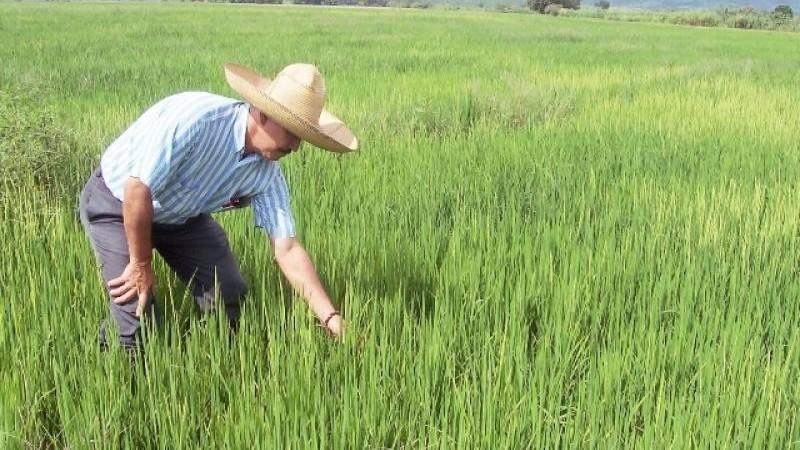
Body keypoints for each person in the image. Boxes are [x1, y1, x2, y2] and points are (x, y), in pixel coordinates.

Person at [78, 62, 358, 352]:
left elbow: (287, 248)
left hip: (181, 216)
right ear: (263, 114)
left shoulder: (266, 174)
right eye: (292, 133)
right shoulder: (197, 122)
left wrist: (332, 319)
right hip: (118, 203)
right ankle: (116, 374)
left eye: (302, 138)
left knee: (227, 294)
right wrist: (141, 264)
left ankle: (214, 364)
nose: (295, 147)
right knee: (136, 310)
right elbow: (137, 189)